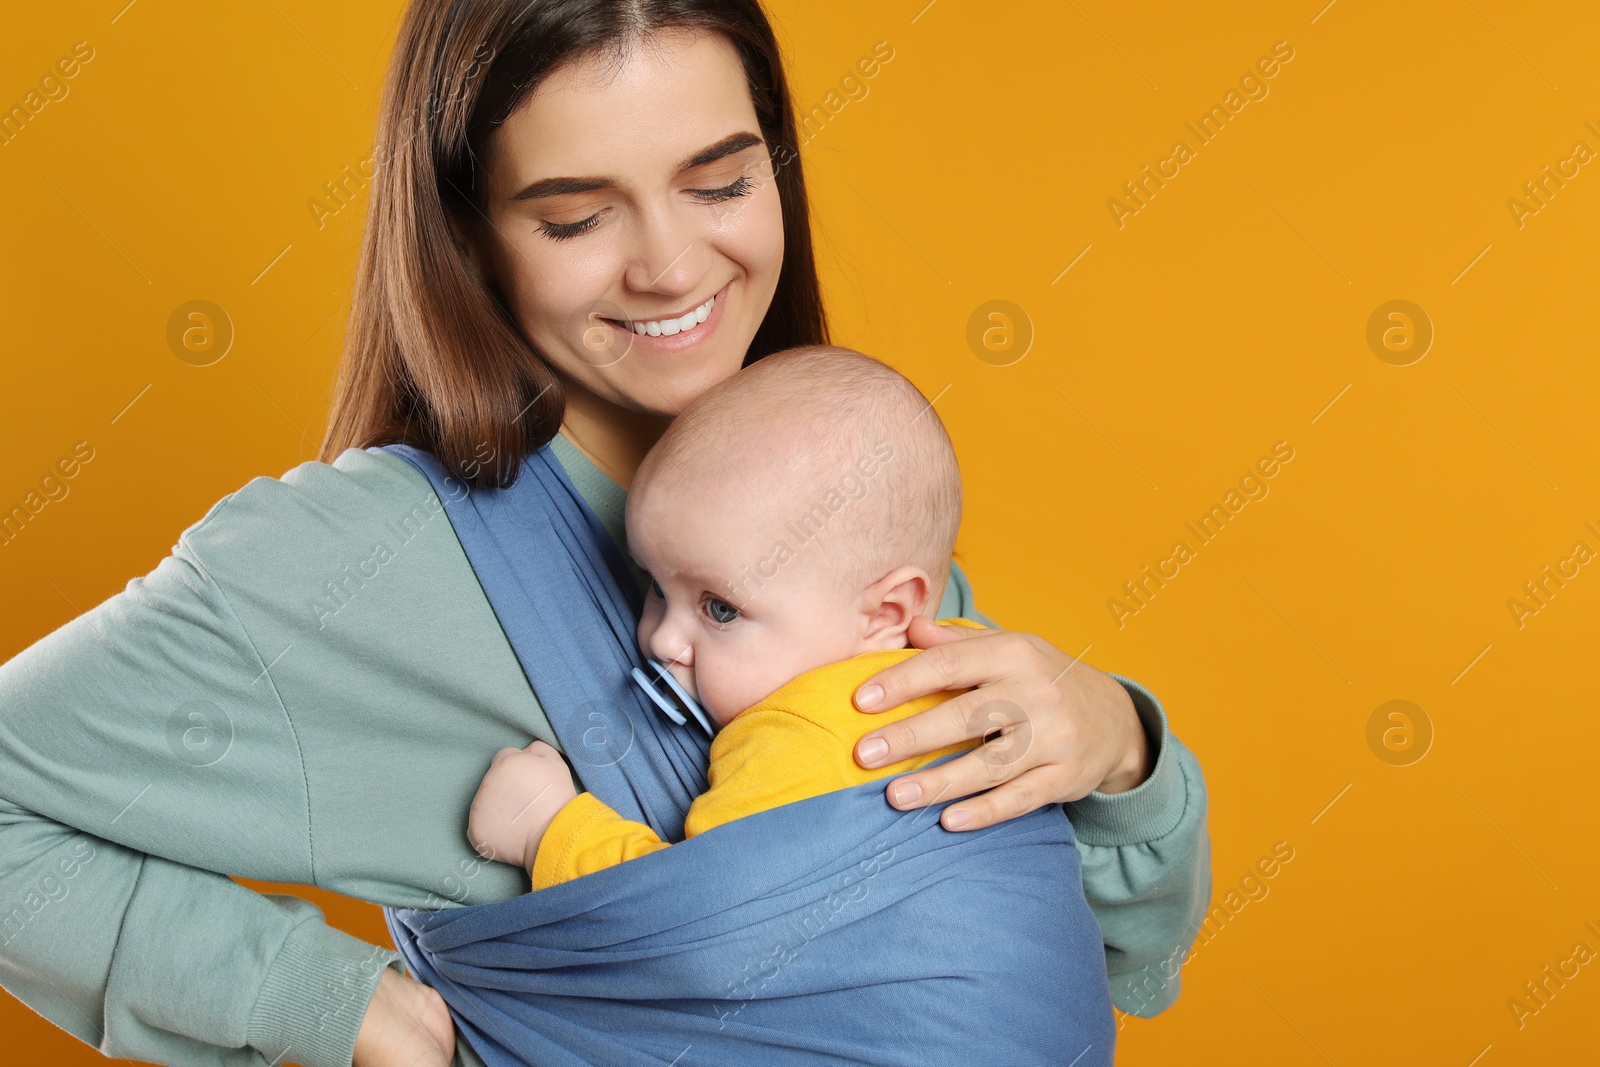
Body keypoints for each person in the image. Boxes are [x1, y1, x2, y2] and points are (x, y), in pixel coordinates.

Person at [0, 3, 1209, 1066]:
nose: (674, 263)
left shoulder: (832, 484)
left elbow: (1081, 954)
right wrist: (331, 1003)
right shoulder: (359, 558)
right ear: (468, 235)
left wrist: (1121, 752)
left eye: (723, 182)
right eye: (576, 217)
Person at [468, 347, 992, 886]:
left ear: (886, 614)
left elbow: (688, 915)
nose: (663, 639)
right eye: (654, 585)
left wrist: (546, 831)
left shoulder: (794, 739)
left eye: (720, 608)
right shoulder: (990, 678)